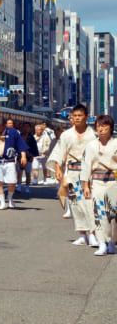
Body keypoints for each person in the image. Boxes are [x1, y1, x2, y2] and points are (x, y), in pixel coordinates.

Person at [49, 104, 98, 247]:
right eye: (74, 116)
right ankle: (82, 234)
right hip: (71, 172)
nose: (77, 118)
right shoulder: (66, 135)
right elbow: (59, 153)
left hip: (89, 173)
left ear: (86, 117)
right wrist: (58, 168)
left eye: (80, 116)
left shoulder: (93, 135)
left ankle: (93, 233)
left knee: (89, 203)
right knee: (75, 204)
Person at [82, 115, 117, 256]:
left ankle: (112, 242)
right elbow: (86, 166)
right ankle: (101, 243)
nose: (101, 129)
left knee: (113, 214)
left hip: (113, 181)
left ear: (110, 127)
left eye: (104, 125)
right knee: (98, 212)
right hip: (96, 182)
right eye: (98, 126)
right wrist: (85, 185)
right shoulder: (91, 146)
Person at [0, 117, 28, 210]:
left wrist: (23, 156)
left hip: (9, 161)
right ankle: (3, 202)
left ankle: (10, 198)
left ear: (4, 125)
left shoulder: (13, 132)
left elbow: (20, 144)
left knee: (12, 182)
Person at [18, 122, 39, 196]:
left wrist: (33, 156)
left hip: (29, 157)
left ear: (30, 128)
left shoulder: (31, 137)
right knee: (19, 172)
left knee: (28, 173)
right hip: (20, 156)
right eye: (25, 126)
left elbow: (34, 148)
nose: (26, 128)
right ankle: (19, 186)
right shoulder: (19, 136)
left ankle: (27, 186)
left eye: (27, 127)